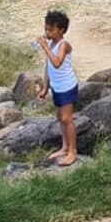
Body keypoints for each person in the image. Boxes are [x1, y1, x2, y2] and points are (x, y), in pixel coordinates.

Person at [37, 10, 78, 166]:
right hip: (57, 87)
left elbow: (57, 62)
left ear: (61, 30)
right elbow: (48, 66)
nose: (47, 32)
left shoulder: (63, 45)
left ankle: (73, 151)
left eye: (51, 29)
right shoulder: (52, 44)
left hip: (67, 86)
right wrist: (45, 87)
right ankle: (65, 147)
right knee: (60, 117)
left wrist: (46, 47)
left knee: (68, 118)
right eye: (46, 29)